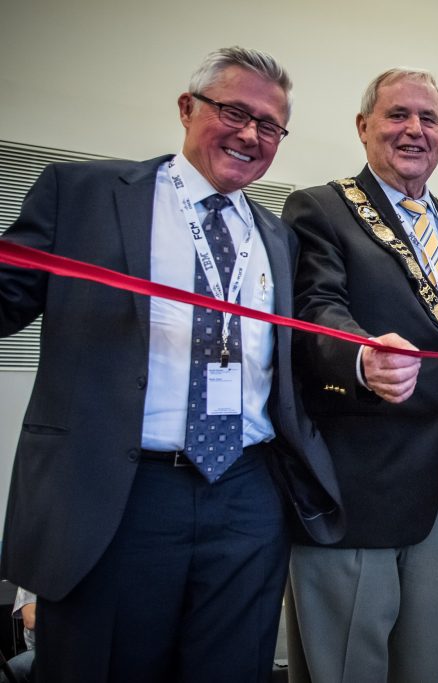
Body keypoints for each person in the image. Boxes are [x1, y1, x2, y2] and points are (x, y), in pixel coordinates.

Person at [0, 46, 343, 682]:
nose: (249, 134)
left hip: (246, 492)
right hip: (119, 493)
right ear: (187, 109)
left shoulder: (279, 237)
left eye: (268, 125)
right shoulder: (86, 196)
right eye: (234, 112)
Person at [283, 67, 438, 683]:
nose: (414, 130)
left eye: (428, 119)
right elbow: (315, 310)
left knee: (425, 669)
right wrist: (361, 355)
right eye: (398, 115)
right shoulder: (321, 208)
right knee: (348, 669)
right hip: (357, 485)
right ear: (363, 127)